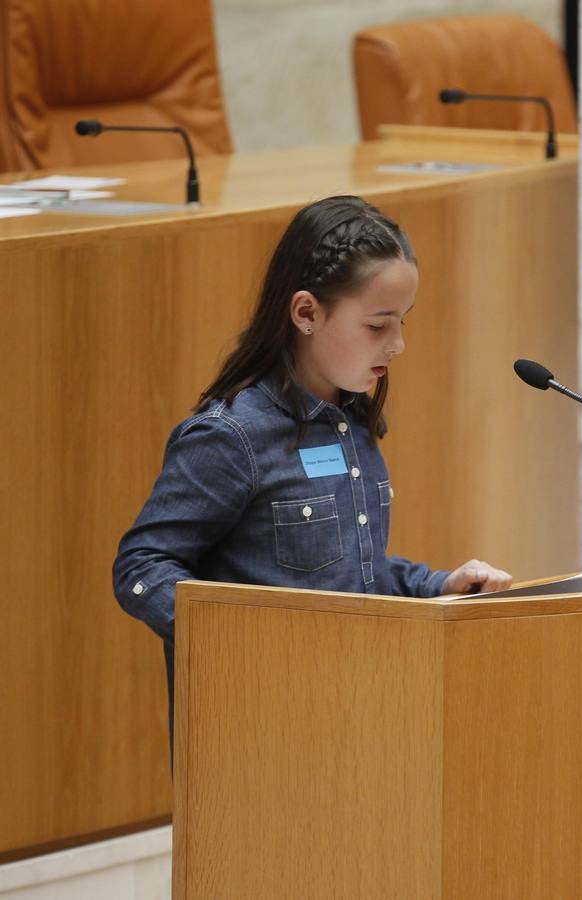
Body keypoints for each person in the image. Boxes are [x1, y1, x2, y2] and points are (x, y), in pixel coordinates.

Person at [113, 195, 512, 741]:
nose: (398, 344)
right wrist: (240, 637)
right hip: (258, 726)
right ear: (306, 313)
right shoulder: (232, 437)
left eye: (402, 322)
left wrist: (440, 584)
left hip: (347, 708)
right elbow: (141, 566)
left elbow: (345, 574)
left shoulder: (348, 422)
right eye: (377, 326)